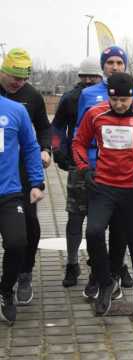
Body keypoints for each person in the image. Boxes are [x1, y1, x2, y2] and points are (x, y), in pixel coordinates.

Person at [73, 72, 133, 320]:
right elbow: (78, 142)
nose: (118, 105)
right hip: (104, 186)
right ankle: (106, 282)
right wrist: (85, 169)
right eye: (114, 100)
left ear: (132, 98)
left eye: (124, 101)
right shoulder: (95, 113)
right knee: (93, 232)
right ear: (109, 96)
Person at [76, 46, 133, 299]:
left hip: (128, 174)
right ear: (102, 66)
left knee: (120, 230)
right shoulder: (88, 94)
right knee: (94, 228)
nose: (114, 66)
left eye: (119, 62)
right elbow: (80, 132)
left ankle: (115, 272)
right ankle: (98, 275)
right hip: (97, 170)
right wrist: (83, 165)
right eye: (110, 62)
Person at [0, 48, 51, 305]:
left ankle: (24, 273)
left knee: (28, 225)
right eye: (12, 77)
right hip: (4, 163)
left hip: (20, 167)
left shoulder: (30, 97)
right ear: (3, 70)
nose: (17, 83)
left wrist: (45, 149)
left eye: (22, 79)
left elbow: (43, 127)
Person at [51, 56, 102, 287]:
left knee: (98, 221)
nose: (89, 80)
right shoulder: (70, 98)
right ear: (79, 77)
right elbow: (57, 127)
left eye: (94, 76)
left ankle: (98, 264)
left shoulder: (109, 98)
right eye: (85, 76)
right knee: (75, 216)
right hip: (78, 165)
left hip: (106, 167)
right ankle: (72, 264)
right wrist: (57, 149)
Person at [0, 95, 44, 324]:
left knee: (18, 243)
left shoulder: (16, 110)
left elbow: (30, 146)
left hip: (9, 192)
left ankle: (6, 290)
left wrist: (36, 182)